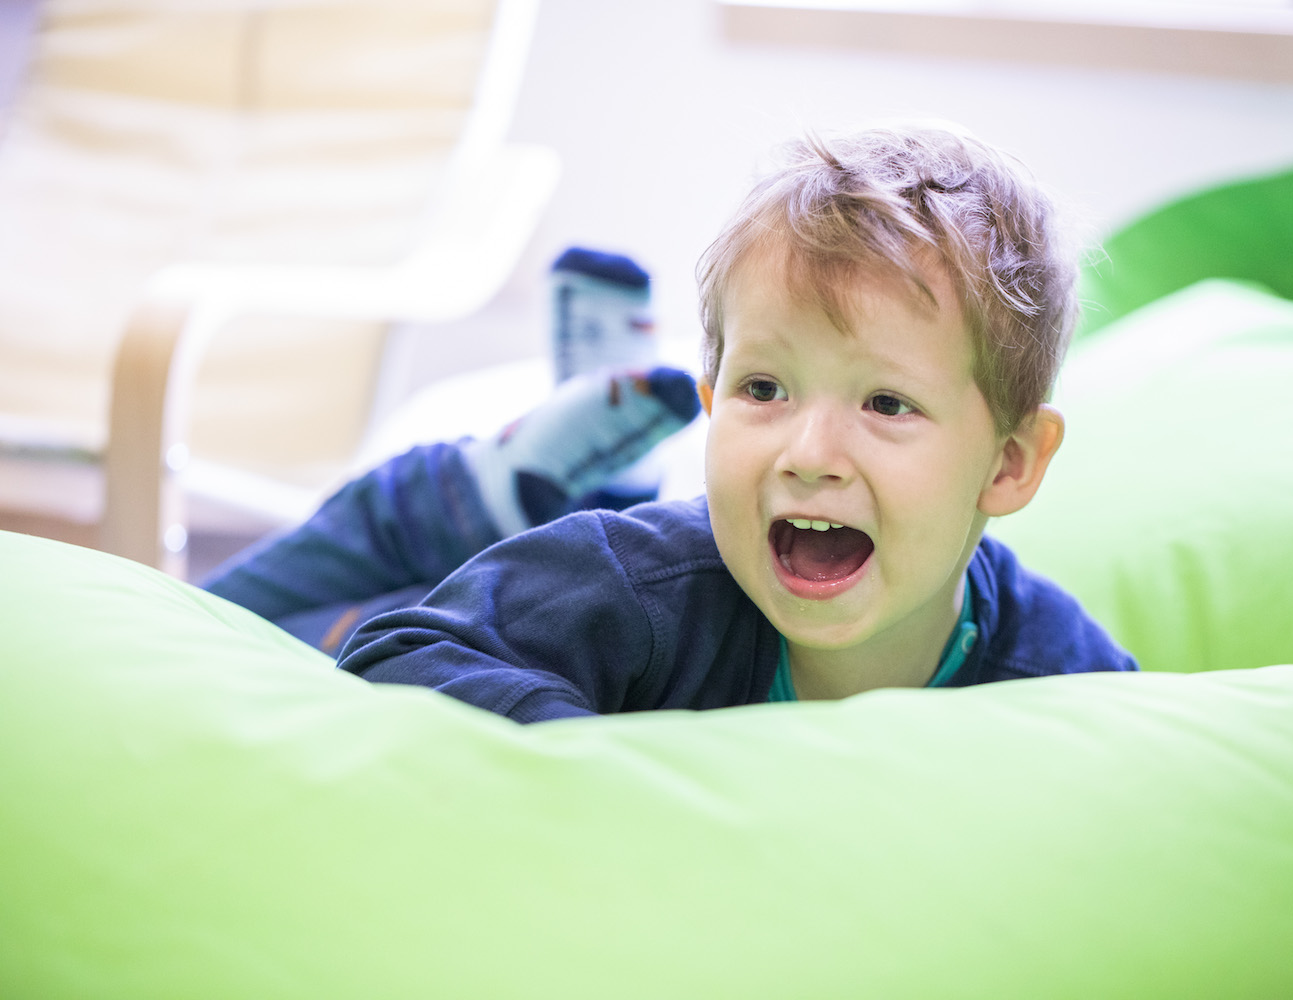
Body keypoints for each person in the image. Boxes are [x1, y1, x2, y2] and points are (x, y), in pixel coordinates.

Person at [209, 123, 1138, 722]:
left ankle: (557, 494)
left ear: (1009, 465)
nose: (808, 455)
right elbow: (401, 651)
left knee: (548, 560)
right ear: (710, 404)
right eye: (765, 391)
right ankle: (461, 496)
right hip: (364, 621)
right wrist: (598, 769)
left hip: (538, 586)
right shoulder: (644, 583)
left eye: (886, 404)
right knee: (232, 622)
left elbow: (1162, 765)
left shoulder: (1051, 672)